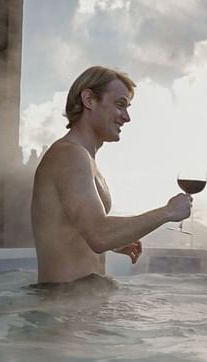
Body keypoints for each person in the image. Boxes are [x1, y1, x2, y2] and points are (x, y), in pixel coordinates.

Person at [31, 65, 192, 287]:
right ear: (89, 99)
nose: (126, 117)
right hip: (65, 305)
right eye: (120, 105)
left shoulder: (83, 158)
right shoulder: (69, 154)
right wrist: (167, 212)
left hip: (78, 301)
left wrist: (116, 242)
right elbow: (99, 234)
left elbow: (79, 227)